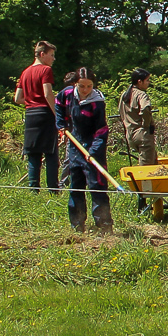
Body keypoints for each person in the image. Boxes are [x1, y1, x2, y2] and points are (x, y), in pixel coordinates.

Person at [59, 68, 113, 233]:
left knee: (97, 185)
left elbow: (102, 130)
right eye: (82, 86)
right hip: (75, 145)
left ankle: (104, 226)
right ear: (75, 84)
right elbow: (59, 107)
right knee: (76, 186)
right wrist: (61, 126)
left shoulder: (97, 103)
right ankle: (77, 225)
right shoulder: (67, 94)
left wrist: (93, 151)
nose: (85, 90)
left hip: (92, 146)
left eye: (89, 86)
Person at [15, 40, 60, 192]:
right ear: (42, 54)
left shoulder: (25, 72)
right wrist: (57, 114)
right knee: (51, 153)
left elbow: (17, 98)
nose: (53, 59)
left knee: (33, 153)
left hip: (30, 114)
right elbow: (48, 93)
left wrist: (32, 100)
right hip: (44, 114)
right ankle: (53, 189)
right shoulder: (45, 70)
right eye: (51, 55)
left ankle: (33, 188)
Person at [118, 68, 157, 165]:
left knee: (153, 161)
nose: (149, 82)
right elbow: (145, 109)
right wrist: (146, 125)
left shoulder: (125, 95)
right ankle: (144, 181)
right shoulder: (141, 95)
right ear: (139, 81)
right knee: (147, 168)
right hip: (142, 134)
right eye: (147, 80)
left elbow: (120, 111)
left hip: (130, 134)